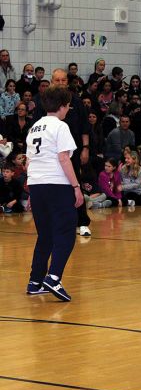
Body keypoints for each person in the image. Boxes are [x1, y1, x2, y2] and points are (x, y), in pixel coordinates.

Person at [26, 86, 83, 301]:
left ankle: (35, 281)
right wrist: (76, 187)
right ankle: (54, 277)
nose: (68, 109)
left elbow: (30, 161)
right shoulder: (60, 126)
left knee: (46, 236)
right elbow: (63, 158)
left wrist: (32, 191)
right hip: (57, 184)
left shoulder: (34, 128)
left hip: (37, 184)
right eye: (68, 106)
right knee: (66, 233)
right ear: (62, 106)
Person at [33, 68, 92, 237]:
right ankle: (55, 223)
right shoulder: (42, 101)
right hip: (49, 154)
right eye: (57, 80)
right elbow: (35, 128)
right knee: (54, 187)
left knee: (75, 185)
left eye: (63, 80)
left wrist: (86, 149)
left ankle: (82, 222)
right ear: (51, 81)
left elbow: (84, 127)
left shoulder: (76, 101)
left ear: (68, 82)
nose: (60, 83)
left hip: (71, 152)